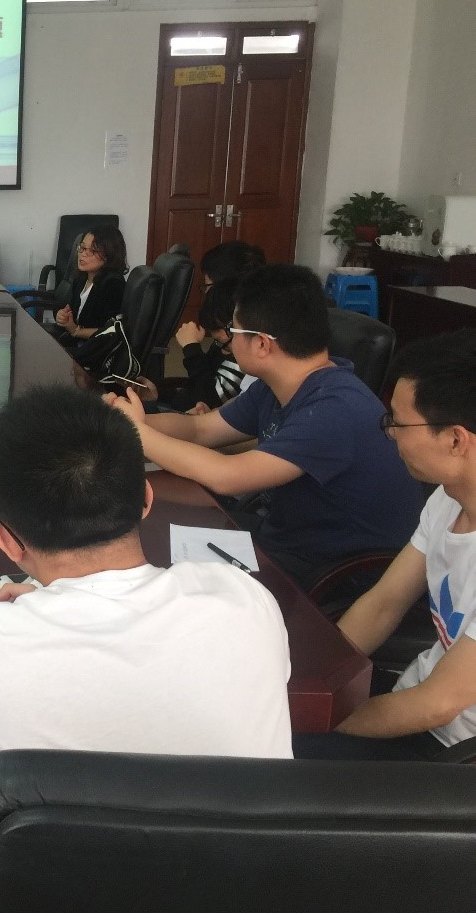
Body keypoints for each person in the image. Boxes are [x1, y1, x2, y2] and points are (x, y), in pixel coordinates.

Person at [0, 384, 293, 913]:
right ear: (146, 499)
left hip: (69, 891)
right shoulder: (242, 599)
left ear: (7, 542)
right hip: (241, 889)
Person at [104, 264, 421, 587]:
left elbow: (228, 476)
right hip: (284, 536)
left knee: (152, 561)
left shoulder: (334, 409)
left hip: (330, 572)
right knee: (150, 528)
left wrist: (137, 432)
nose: (229, 341)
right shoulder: (278, 385)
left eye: (234, 330)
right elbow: (200, 429)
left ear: (261, 345)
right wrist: (113, 421)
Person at [293, 330, 476, 760]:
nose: (390, 434)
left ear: (456, 440)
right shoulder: (448, 498)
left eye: (397, 422)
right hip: (412, 702)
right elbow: (384, 603)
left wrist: (323, 720)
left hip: (451, 756)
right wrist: (313, 685)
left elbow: (437, 705)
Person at [165, 275, 249, 413]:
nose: (221, 348)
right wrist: (158, 394)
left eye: (222, 343)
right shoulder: (222, 343)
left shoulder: (243, 364)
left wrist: (191, 348)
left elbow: (206, 399)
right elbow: (199, 382)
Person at [51, 224, 127, 348]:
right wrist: (62, 315)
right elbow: (68, 308)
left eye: (91, 251)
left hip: (95, 352)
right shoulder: (81, 278)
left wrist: (76, 331)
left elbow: (112, 331)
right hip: (77, 344)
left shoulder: (113, 284)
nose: (83, 254)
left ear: (109, 255)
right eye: (82, 248)